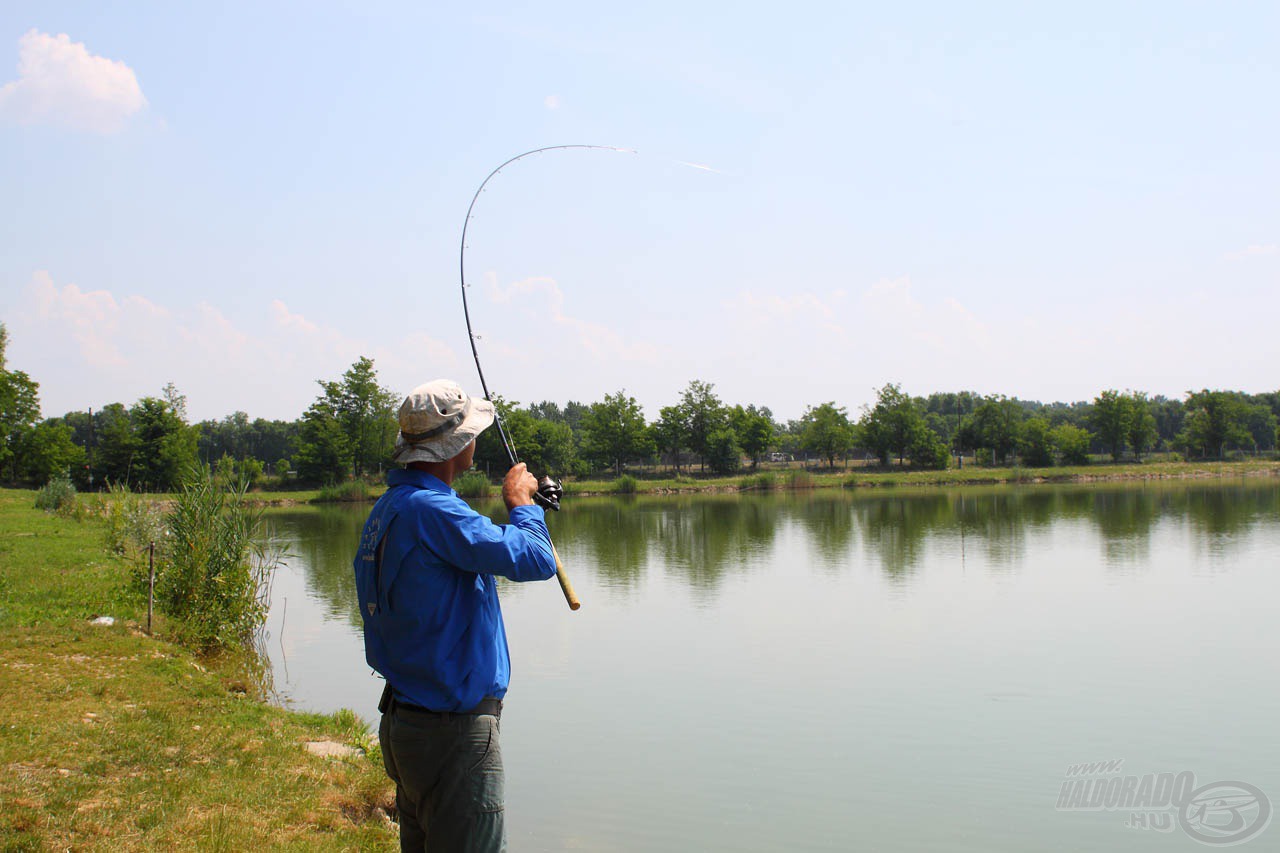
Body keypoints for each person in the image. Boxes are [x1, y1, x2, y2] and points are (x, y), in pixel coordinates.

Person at [353, 379, 557, 852]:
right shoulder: (435, 511)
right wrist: (521, 504)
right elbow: (536, 560)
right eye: (472, 431)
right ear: (457, 444)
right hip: (454, 737)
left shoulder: (389, 508)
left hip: (407, 724)